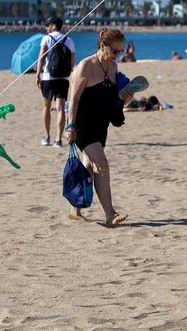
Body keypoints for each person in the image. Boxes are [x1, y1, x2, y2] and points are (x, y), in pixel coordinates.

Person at [65, 28, 132, 226]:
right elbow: (73, 99)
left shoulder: (113, 68)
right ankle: (110, 214)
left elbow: (111, 98)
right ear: (102, 46)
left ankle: (74, 210)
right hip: (82, 125)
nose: (117, 55)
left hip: (100, 125)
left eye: (120, 51)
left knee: (88, 165)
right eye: (114, 51)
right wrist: (70, 126)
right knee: (101, 164)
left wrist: (124, 98)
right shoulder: (85, 66)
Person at [36, 16, 76, 148]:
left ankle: (47, 137)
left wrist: (38, 74)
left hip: (48, 77)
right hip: (63, 79)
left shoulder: (46, 39)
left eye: (47, 25)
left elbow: (41, 57)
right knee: (60, 109)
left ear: (53, 25)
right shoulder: (69, 40)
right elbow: (72, 63)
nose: (46, 28)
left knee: (46, 106)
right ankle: (58, 140)